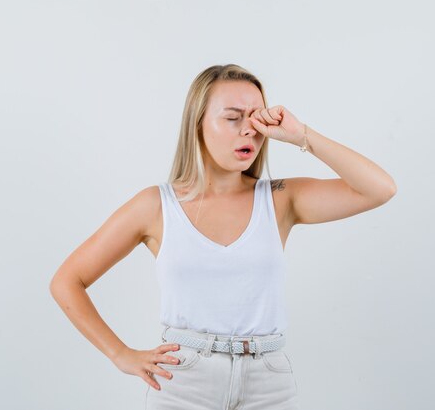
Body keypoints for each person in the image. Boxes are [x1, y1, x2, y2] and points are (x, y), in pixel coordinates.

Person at [49, 63, 397, 409]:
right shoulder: (156, 206)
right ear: (197, 123)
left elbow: (380, 189)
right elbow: (68, 280)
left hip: (268, 383)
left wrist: (301, 134)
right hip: (183, 382)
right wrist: (120, 354)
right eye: (233, 118)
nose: (250, 130)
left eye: (258, 117)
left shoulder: (279, 199)